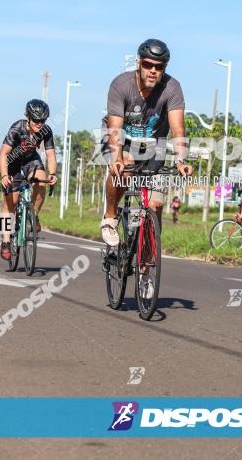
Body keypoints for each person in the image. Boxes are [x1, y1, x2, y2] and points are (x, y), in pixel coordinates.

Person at [100, 38, 194, 299]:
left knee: (155, 207)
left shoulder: (172, 88)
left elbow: (177, 128)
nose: (153, 71)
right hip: (123, 140)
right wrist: (117, 156)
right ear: (139, 64)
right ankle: (109, 216)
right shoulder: (121, 85)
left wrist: (181, 159)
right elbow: (115, 129)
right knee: (123, 168)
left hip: (155, 145)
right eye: (149, 65)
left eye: (159, 66)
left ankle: (145, 271)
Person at [0, 99, 58, 260]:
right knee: (11, 201)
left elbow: (51, 155)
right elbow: (3, 154)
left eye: (43, 120)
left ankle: (34, 215)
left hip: (31, 160)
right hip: (13, 162)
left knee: (41, 180)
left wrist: (53, 173)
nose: (39, 124)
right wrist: (4, 176)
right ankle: (5, 241)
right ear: (28, 118)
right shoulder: (17, 128)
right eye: (36, 120)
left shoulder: (46, 131)